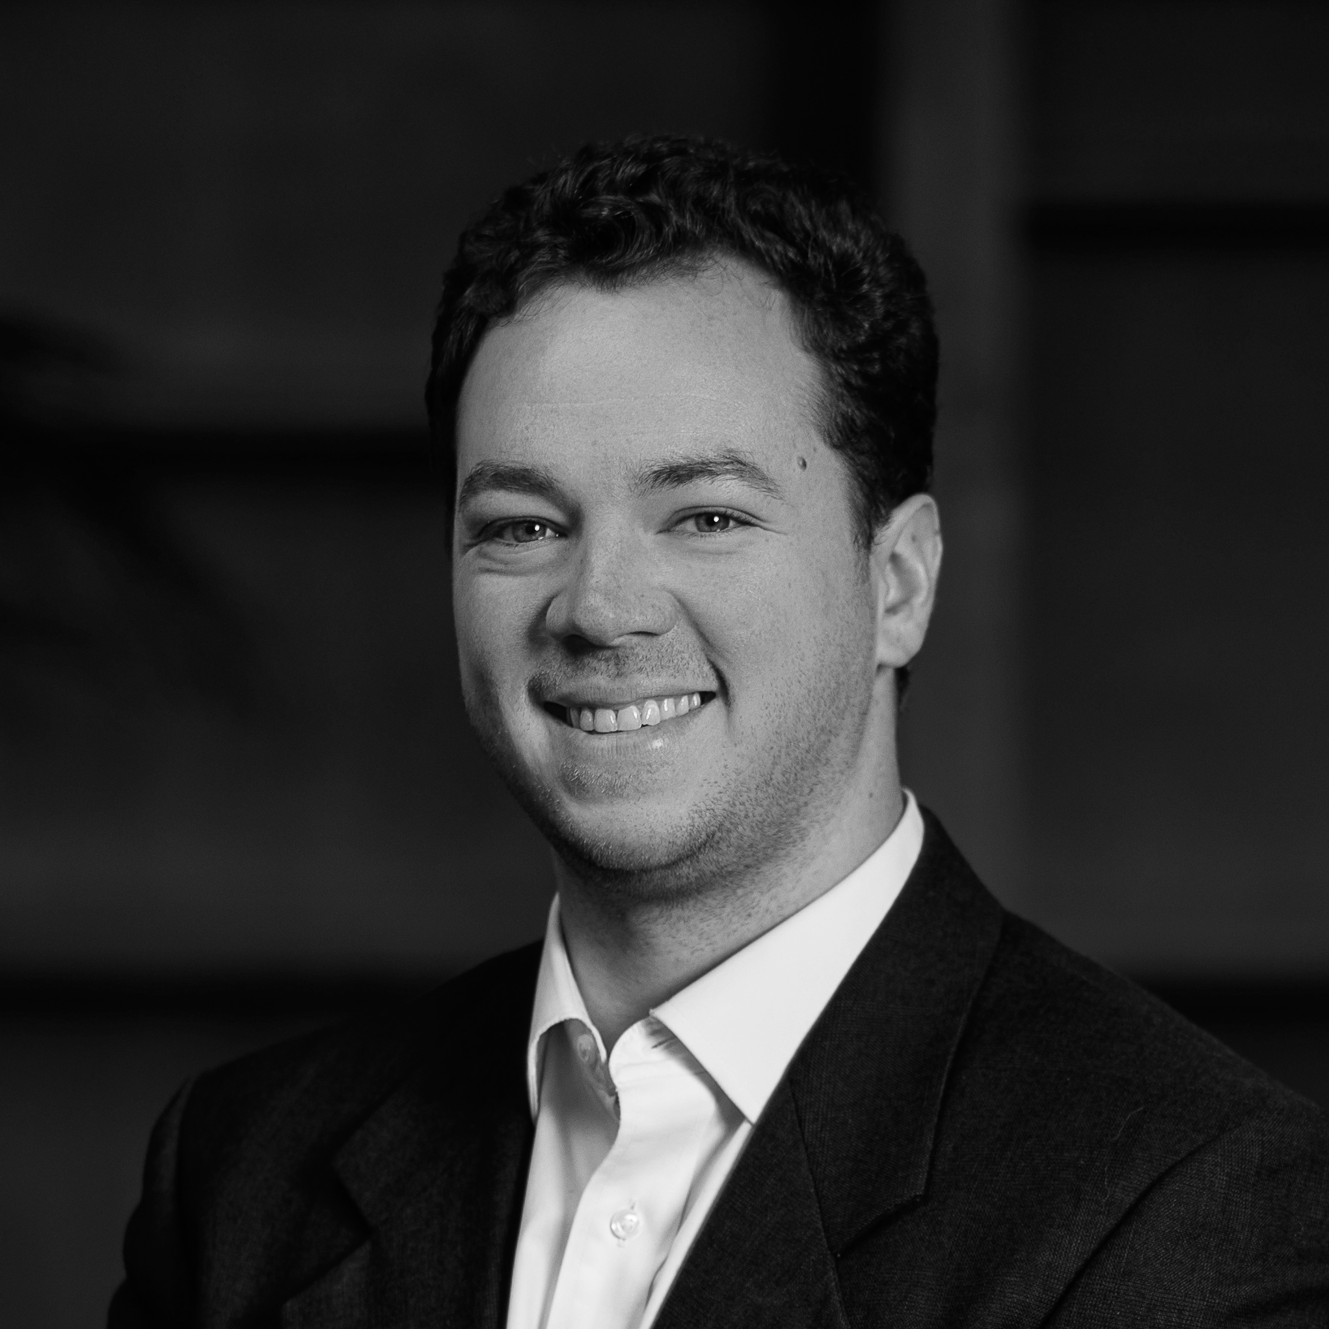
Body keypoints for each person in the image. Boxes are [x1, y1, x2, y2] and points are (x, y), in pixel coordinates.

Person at [110, 136, 1329, 1329]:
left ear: (897, 584)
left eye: (704, 515)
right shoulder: (242, 1173)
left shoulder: (1189, 1207)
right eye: (524, 526)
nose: (600, 607)